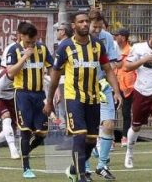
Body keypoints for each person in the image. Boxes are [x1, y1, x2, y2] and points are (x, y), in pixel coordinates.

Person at [44, 11, 122, 182]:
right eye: (81, 22)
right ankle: (81, 177)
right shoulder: (65, 47)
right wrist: (50, 101)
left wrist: (117, 91)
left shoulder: (97, 45)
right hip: (74, 98)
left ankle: (73, 169)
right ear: (74, 26)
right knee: (80, 135)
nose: (85, 24)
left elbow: (108, 69)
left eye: (87, 21)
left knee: (92, 141)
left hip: (93, 98)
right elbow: (55, 75)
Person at [5, 21, 53, 178]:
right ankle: (26, 167)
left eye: (33, 41)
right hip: (23, 94)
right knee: (25, 130)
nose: (31, 45)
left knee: (42, 133)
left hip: (40, 95)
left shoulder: (43, 49)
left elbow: (52, 68)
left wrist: (55, 89)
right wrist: (24, 57)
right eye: (28, 42)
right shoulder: (14, 50)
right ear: (20, 36)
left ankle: (26, 150)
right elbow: (11, 73)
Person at [122, 26, 152, 170]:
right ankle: (129, 154)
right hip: (140, 92)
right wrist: (143, 60)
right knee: (136, 126)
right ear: (151, 37)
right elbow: (127, 67)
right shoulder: (138, 48)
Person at [87, 10, 122, 180]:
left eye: (100, 27)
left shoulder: (107, 38)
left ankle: (102, 165)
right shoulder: (79, 39)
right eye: (95, 27)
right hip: (83, 88)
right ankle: (84, 167)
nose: (97, 30)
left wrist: (116, 90)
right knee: (85, 129)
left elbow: (113, 63)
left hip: (103, 86)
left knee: (109, 124)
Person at [114, 28, 135, 147]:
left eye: (117, 35)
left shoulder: (131, 51)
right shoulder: (113, 50)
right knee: (111, 113)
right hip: (114, 86)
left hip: (128, 87)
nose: (115, 38)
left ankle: (125, 137)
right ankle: (110, 138)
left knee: (126, 113)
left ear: (123, 37)